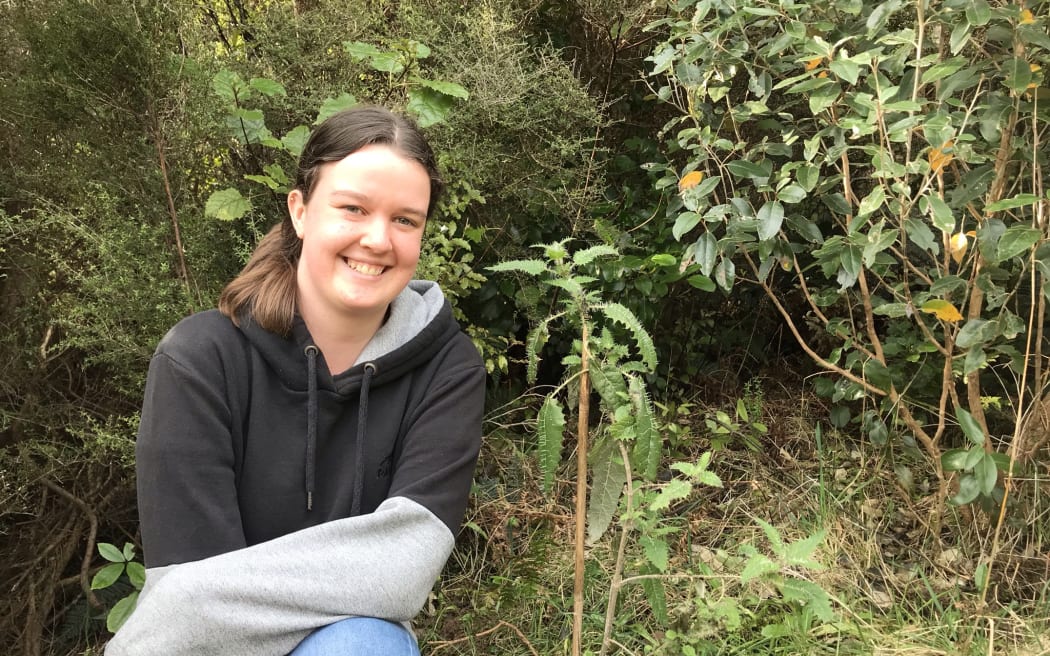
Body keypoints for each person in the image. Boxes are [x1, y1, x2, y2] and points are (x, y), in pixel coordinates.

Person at [105, 106, 486, 655]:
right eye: (353, 208)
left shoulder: (448, 369)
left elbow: (404, 567)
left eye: (406, 220)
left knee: (363, 644)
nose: (379, 239)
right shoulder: (200, 361)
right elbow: (186, 604)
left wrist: (200, 601)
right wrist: (194, 603)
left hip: (346, 642)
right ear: (301, 211)